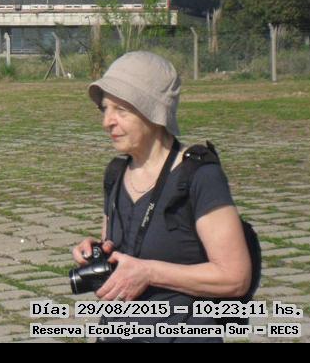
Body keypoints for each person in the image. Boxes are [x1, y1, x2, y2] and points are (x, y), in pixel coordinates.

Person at [71, 51, 251, 343]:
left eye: (121, 110)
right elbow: (120, 250)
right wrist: (96, 253)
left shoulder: (200, 176)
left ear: (153, 112)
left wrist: (149, 273)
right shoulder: (116, 173)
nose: (107, 121)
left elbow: (235, 278)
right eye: (105, 109)